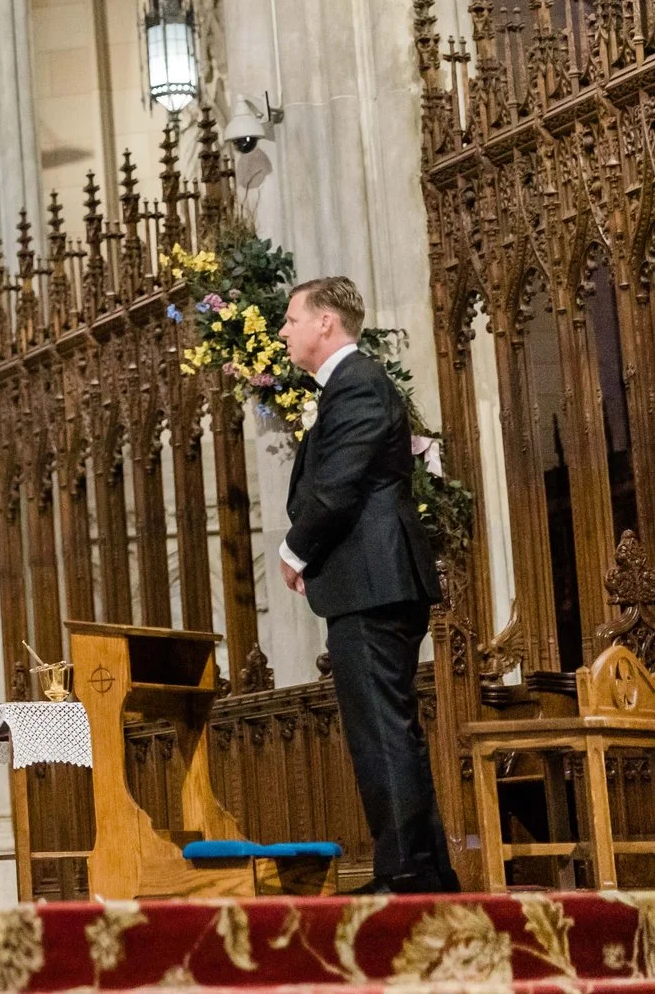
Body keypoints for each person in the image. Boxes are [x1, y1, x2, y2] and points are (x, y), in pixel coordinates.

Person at [276, 275, 458, 894]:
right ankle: (426, 868)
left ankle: (404, 872)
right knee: (390, 727)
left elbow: (339, 482)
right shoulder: (350, 386)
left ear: (326, 322)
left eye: (292, 318)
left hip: (373, 581)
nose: (284, 330)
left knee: (381, 730)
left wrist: (295, 550)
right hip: (374, 579)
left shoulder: (356, 383)